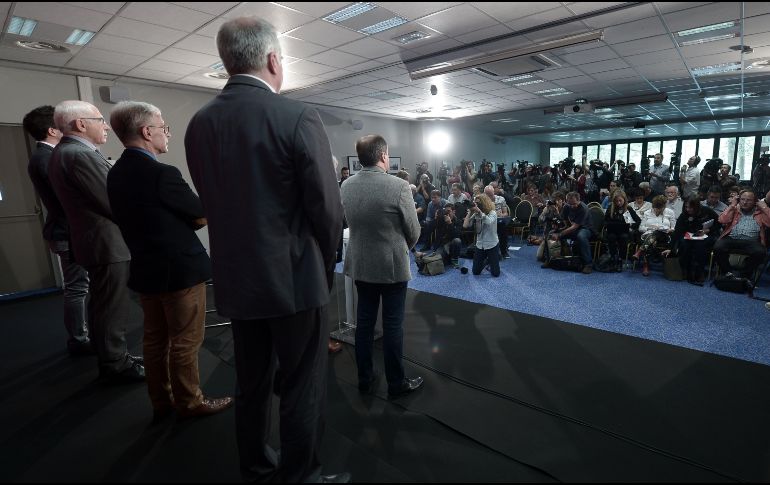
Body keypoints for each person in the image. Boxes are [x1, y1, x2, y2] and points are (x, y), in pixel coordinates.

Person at [184, 17, 346, 483]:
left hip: (235, 277)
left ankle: (255, 466)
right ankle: (302, 476)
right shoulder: (296, 116)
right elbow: (327, 209)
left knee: (250, 383)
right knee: (301, 384)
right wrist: (326, 261)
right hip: (294, 278)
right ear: (274, 59)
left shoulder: (199, 123)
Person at [106, 101, 233, 420]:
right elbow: (201, 212)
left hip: (147, 269)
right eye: (164, 128)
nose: (168, 135)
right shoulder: (162, 173)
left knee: (155, 340)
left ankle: (161, 401)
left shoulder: (116, 172)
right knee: (186, 341)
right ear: (147, 132)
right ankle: (190, 402)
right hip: (180, 271)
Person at [48, 100, 144, 384]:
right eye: (100, 120)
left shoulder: (65, 152)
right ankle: (115, 363)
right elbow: (114, 200)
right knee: (111, 306)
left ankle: (113, 355)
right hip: (105, 242)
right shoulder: (79, 155)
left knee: (103, 303)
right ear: (80, 124)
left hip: (93, 240)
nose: (105, 126)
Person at [340, 134, 423, 398]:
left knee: (363, 325)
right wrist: (400, 247)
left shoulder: (346, 185)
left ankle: (365, 378)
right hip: (391, 267)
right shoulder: (398, 187)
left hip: (362, 265)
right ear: (383, 156)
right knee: (392, 326)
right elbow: (414, 231)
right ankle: (396, 384)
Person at [22, 106, 91, 357]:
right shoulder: (46, 158)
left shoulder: (47, 155)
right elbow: (68, 198)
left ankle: (82, 336)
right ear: (52, 130)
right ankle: (79, 339)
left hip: (66, 229)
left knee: (80, 286)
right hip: (66, 231)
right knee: (77, 288)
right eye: (62, 124)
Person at [713, 188, 770, 279]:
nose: (745, 202)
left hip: (751, 241)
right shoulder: (735, 209)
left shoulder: (760, 212)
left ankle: (744, 275)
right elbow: (722, 220)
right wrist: (732, 205)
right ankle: (728, 272)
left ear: (755, 201)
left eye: (748, 200)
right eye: (742, 199)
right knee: (718, 247)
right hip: (732, 238)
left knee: (760, 252)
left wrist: (764, 207)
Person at [664, 198, 718, 284]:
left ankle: (700, 271)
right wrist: (670, 248)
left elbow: (718, 223)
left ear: (696, 207)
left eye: (690, 207)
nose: (688, 209)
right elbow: (677, 231)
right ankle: (684, 269)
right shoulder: (684, 214)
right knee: (684, 243)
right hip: (689, 236)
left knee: (700, 245)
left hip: (705, 235)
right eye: (686, 207)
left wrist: (709, 230)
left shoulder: (707, 211)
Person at [550, 191, 594, 274]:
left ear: (579, 200)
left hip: (586, 229)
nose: (572, 206)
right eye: (570, 204)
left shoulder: (583, 208)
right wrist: (556, 226)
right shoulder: (567, 206)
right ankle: (551, 259)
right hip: (573, 228)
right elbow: (562, 219)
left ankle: (588, 264)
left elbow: (575, 227)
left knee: (581, 236)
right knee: (551, 233)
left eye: (574, 204)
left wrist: (559, 234)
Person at [633, 195, 675, 276]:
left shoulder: (670, 212)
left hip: (664, 235)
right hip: (649, 235)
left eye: (660, 208)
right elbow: (641, 228)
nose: (658, 210)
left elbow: (674, 227)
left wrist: (670, 229)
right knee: (653, 238)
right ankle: (645, 264)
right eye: (656, 208)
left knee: (657, 233)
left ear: (664, 206)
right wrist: (649, 228)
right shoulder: (647, 213)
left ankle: (641, 254)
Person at [464, 194, 500, 276]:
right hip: (480, 245)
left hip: (492, 244)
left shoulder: (492, 213)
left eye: (479, 204)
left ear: (484, 203)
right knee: (475, 272)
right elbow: (465, 225)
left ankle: (490, 260)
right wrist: (470, 212)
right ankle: (487, 261)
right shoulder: (476, 213)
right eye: (476, 203)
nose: (477, 205)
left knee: (495, 274)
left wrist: (480, 212)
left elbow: (489, 221)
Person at [604, 190, 641, 271]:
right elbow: (605, 220)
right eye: (616, 201)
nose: (619, 203)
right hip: (613, 231)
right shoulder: (611, 208)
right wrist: (608, 225)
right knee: (611, 237)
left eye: (620, 200)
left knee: (623, 237)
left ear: (624, 199)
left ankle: (621, 258)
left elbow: (638, 220)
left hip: (625, 232)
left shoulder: (628, 208)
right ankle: (613, 257)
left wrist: (632, 226)